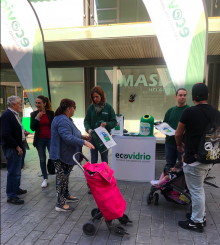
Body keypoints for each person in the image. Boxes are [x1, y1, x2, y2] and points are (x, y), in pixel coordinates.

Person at [175, 83, 220, 232]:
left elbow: (178, 133)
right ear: (207, 96)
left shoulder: (189, 112)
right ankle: (200, 215)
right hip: (208, 156)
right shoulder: (216, 113)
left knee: (196, 190)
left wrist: (179, 145)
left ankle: (197, 222)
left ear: (193, 97)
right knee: (199, 188)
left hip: (193, 159)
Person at [50, 99, 94, 211]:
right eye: (74, 107)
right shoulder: (62, 120)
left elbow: (72, 133)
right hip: (61, 155)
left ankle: (65, 195)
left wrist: (82, 137)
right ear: (68, 109)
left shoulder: (66, 119)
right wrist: (84, 142)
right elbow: (68, 138)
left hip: (66, 154)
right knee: (61, 178)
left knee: (65, 177)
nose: (75, 109)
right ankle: (59, 203)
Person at [0, 96, 27, 204]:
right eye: (20, 103)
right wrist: (17, 147)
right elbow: (5, 134)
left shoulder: (14, 115)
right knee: (13, 172)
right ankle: (11, 195)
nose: (21, 105)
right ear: (13, 105)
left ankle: (16, 189)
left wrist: (22, 133)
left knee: (17, 171)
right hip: (12, 148)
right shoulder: (7, 115)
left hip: (18, 145)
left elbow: (13, 130)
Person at [84, 86, 117, 164]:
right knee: (93, 160)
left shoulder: (108, 108)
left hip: (105, 137)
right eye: (93, 97)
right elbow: (86, 121)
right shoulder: (91, 108)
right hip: (93, 137)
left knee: (104, 160)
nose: (95, 99)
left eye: (97, 96)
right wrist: (88, 129)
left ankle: (104, 176)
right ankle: (94, 175)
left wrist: (106, 124)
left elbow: (114, 122)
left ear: (101, 96)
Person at [30, 96, 54, 188]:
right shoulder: (34, 114)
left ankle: (55, 173)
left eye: (39, 103)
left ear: (44, 104)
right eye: (36, 103)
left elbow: (54, 126)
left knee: (53, 157)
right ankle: (45, 178)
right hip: (39, 140)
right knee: (42, 159)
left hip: (50, 139)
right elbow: (32, 128)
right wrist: (37, 118)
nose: (37, 105)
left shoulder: (51, 113)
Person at [163, 88, 189, 169]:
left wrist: (184, 131)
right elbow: (165, 125)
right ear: (176, 97)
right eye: (180, 95)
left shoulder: (189, 110)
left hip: (184, 144)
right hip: (170, 142)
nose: (182, 97)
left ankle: (180, 182)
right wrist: (160, 127)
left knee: (183, 166)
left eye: (184, 95)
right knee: (169, 166)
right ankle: (168, 181)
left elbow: (193, 127)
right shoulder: (170, 111)